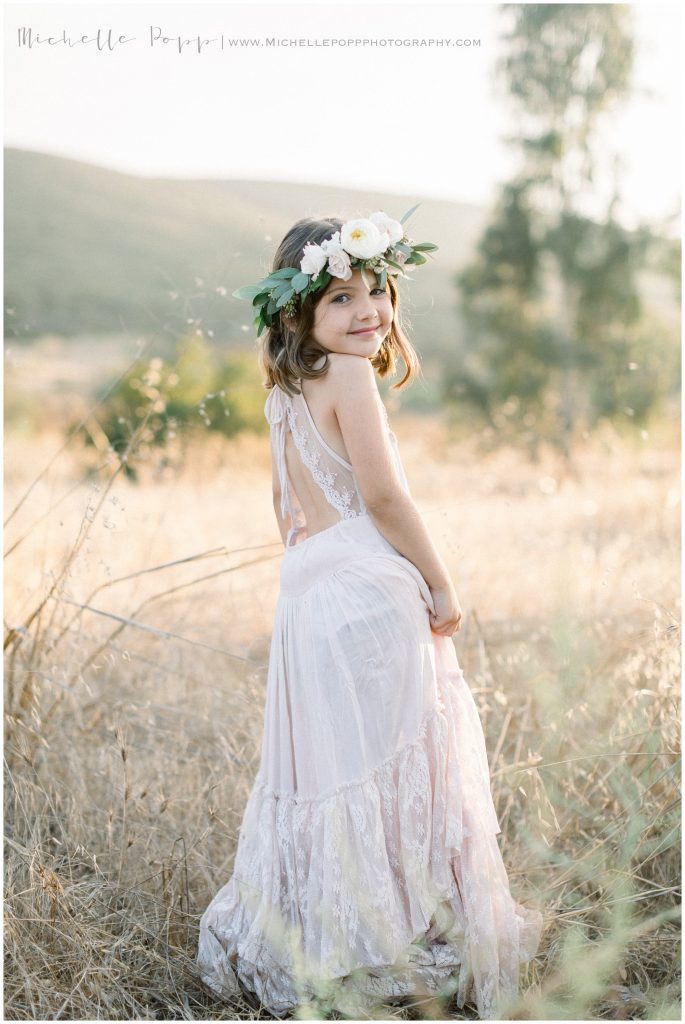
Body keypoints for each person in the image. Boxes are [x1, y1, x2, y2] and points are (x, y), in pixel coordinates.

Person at [196, 209, 543, 1019]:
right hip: (366, 589)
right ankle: (402, 937)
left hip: (308, 592)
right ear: (300, 314)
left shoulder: (287, 391)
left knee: (332, 772)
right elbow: (383, 496)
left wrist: (322, 556)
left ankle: (326, 931)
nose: (367, 313)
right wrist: (440, 581)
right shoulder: (350, 376)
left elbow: (283, 507)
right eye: (340, 299)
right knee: (399, 761)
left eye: (376, 291)